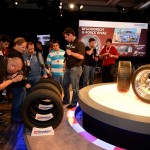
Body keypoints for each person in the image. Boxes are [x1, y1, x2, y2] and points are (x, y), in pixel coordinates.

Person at [62, 27, 85, 109]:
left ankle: (74, 103)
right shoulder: (69, 44)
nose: (65, 39)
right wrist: (64, 64)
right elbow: (66, 56)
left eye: (66, 37)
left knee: (75, 88)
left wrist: (71, 53)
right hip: (68, 68)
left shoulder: (80, 43)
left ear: (71, 35)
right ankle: (66, 100)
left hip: (75, 68)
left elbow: (81, 56)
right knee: (64, 84)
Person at [7, 37, 27, 123]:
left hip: (20, 82)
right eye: (22, 47)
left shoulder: (17, 53)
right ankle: (15, 118)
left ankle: (18, 116)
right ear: (16, 45)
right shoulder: (12, 54)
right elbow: (14, 70)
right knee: (18, 101)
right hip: (17, 83)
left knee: (20, 101)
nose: (24, 49)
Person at [0, 56, 23, 123]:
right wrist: (13, 80)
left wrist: (9, 77)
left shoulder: (3, 61)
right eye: (17, 70)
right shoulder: (1, 66)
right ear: (12, 66)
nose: (16, 72)